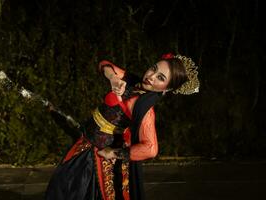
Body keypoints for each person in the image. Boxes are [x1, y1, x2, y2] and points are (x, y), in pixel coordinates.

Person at [45, 53, 200, 200]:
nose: (151, 77)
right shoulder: (132, 81)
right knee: (61, 186)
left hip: (97, 156)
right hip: (84, 144)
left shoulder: (145, 108)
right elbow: (104, 64)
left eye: (160, 77)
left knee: (75, 192)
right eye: (154, 68)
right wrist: (113, 78)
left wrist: (113, 153)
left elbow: (151, 148)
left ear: (167, 88)